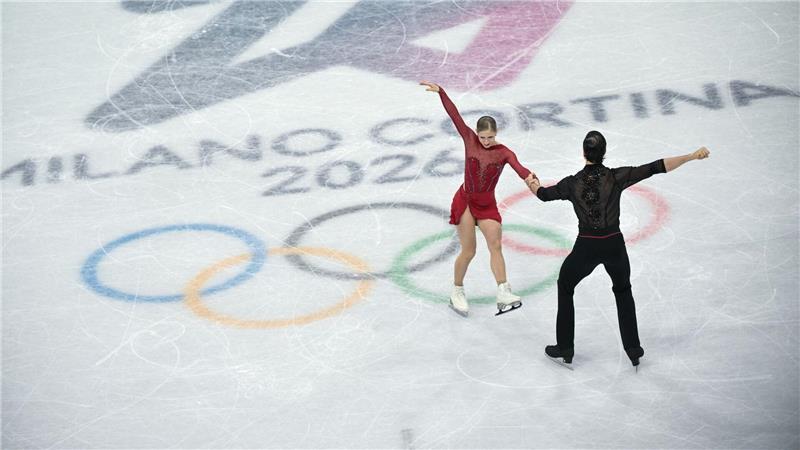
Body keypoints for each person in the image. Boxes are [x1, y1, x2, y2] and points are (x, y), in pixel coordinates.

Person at [529, 130, 710, 367]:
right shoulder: (616, 177)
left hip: (586, 246)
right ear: (604, 153)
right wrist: (690, 156)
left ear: (584, 153)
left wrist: (532, 184)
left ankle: (565, 347)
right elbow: (656, 167)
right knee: (623, 290)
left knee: (565, 285)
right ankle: (633, 350)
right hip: (614, 244)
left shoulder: (572, 183)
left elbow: (543, 195)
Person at [420, 81, 538, 317]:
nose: (486, 141)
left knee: (495, 245)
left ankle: (504, 291)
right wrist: (442, 93)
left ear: (496, 134)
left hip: (487, 205)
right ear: (478, 133)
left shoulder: (504, 152)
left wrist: (532, 182)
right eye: (483, 137)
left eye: (490, 137)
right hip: (465, 202)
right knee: (469, 251)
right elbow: (455, 116)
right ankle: (457, 290)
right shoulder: (469, 139)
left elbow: (521, 169)